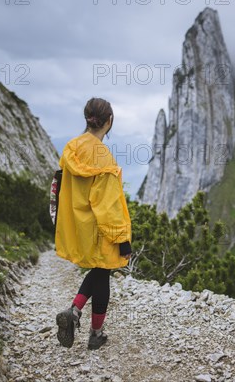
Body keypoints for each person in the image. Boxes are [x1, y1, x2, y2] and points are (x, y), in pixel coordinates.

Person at [54, 98, 132, 350]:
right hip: (101, 228)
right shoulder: (103, 157)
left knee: (99, 272)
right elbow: (107, 204)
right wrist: (122, 238)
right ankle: (94, 332)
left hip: (78, 226)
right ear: (108, 121)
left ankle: (75, 312)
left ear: (87, 118)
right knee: (103, 272)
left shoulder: (71, 148)